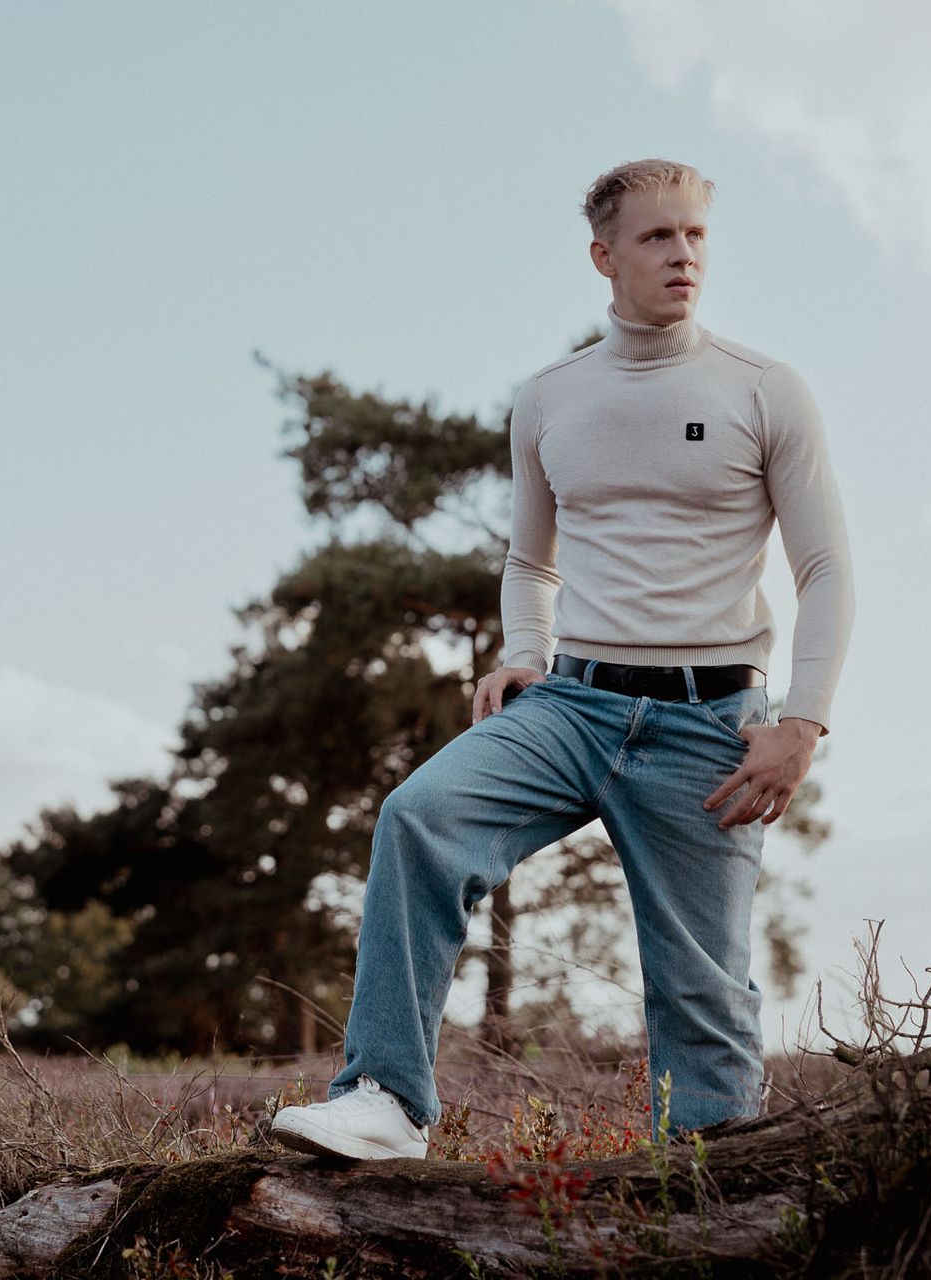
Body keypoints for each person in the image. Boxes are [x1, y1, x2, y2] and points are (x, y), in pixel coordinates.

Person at [269, 158, 854, 1160]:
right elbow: (527, 558)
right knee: (419, 817)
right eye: (658, 237)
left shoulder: (766, 389)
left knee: (702, 993)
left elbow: (827, 566)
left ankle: (706, 1199)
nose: (682, 255)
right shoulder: (549, 397)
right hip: (571, 704)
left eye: (696, 236)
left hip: (709, 726)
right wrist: (524, 653)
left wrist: (803, 718)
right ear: (604, 255)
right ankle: (385, 1100)